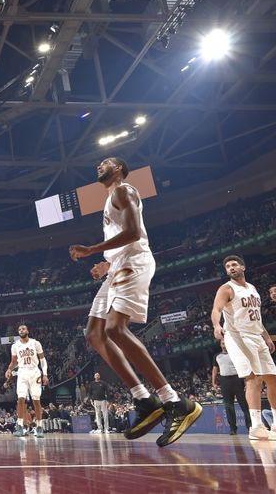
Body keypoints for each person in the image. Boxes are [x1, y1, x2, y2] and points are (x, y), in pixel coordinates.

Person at [69, 157, 202, 447]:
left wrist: (92, 249)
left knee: (115, 329)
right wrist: (106, 263)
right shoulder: (110, 199)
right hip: (119, 265)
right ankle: (144, 399)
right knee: (94, 334)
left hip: (135, 262)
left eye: (106, 162)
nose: (98, 165)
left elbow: (133, 233)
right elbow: (121, 237)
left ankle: (176, 402)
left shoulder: (123, 190)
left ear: (118, 169)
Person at [210, 255, 276, 441]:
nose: (231, 268)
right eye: (228, 266)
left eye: (234, 264)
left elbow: (256, 318)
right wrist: (216, 325)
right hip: (238, 336)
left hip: (256, 336)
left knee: (272, 378)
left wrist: (266, 337)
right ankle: (256, 427)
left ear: (243, 267)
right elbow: (216, 310)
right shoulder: (226, 288)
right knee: (254, 378)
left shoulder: (253, 289)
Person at [3, 325, 49, 438]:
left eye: (23, 329)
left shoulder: (35, 343)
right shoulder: (15, 346)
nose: (21, 330)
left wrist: (45, 374)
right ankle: (19, 426)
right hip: (22, 372)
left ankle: (39, 426)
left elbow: (43, 360)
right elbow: (14, 362)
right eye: (19, 329)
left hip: (35, 372)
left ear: (27, 331)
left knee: (36, 400)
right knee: (20, 399)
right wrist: (9, 369)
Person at [211, 338, 251, 435]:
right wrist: (213, 382)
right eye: (222, 343)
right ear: (220, 345)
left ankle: (250, 426)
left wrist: (246, 381)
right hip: (225, 381)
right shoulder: (217, 356)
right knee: (229, 406)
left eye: (225, 343)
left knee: (244, 405)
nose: (224, 344)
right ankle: (233, 429)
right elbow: (215, 370)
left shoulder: (236, 353)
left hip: (237, 379)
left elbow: (243, 365)